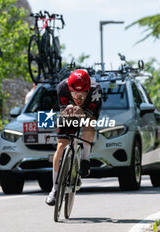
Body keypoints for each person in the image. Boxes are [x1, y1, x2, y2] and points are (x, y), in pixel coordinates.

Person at [46, 69, 102, 206]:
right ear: (69, 90)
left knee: (89, 123)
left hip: (89, 113)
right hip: (68, 114)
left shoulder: (96, 90)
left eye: (82, 95)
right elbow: (63, 111)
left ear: (87, 91)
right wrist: (68, 109)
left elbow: (90, 114)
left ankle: (85, 157)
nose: (78, 98)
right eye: (75, 94)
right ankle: (54, 188)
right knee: (60, 146)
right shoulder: (62, 87)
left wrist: (83, 111)